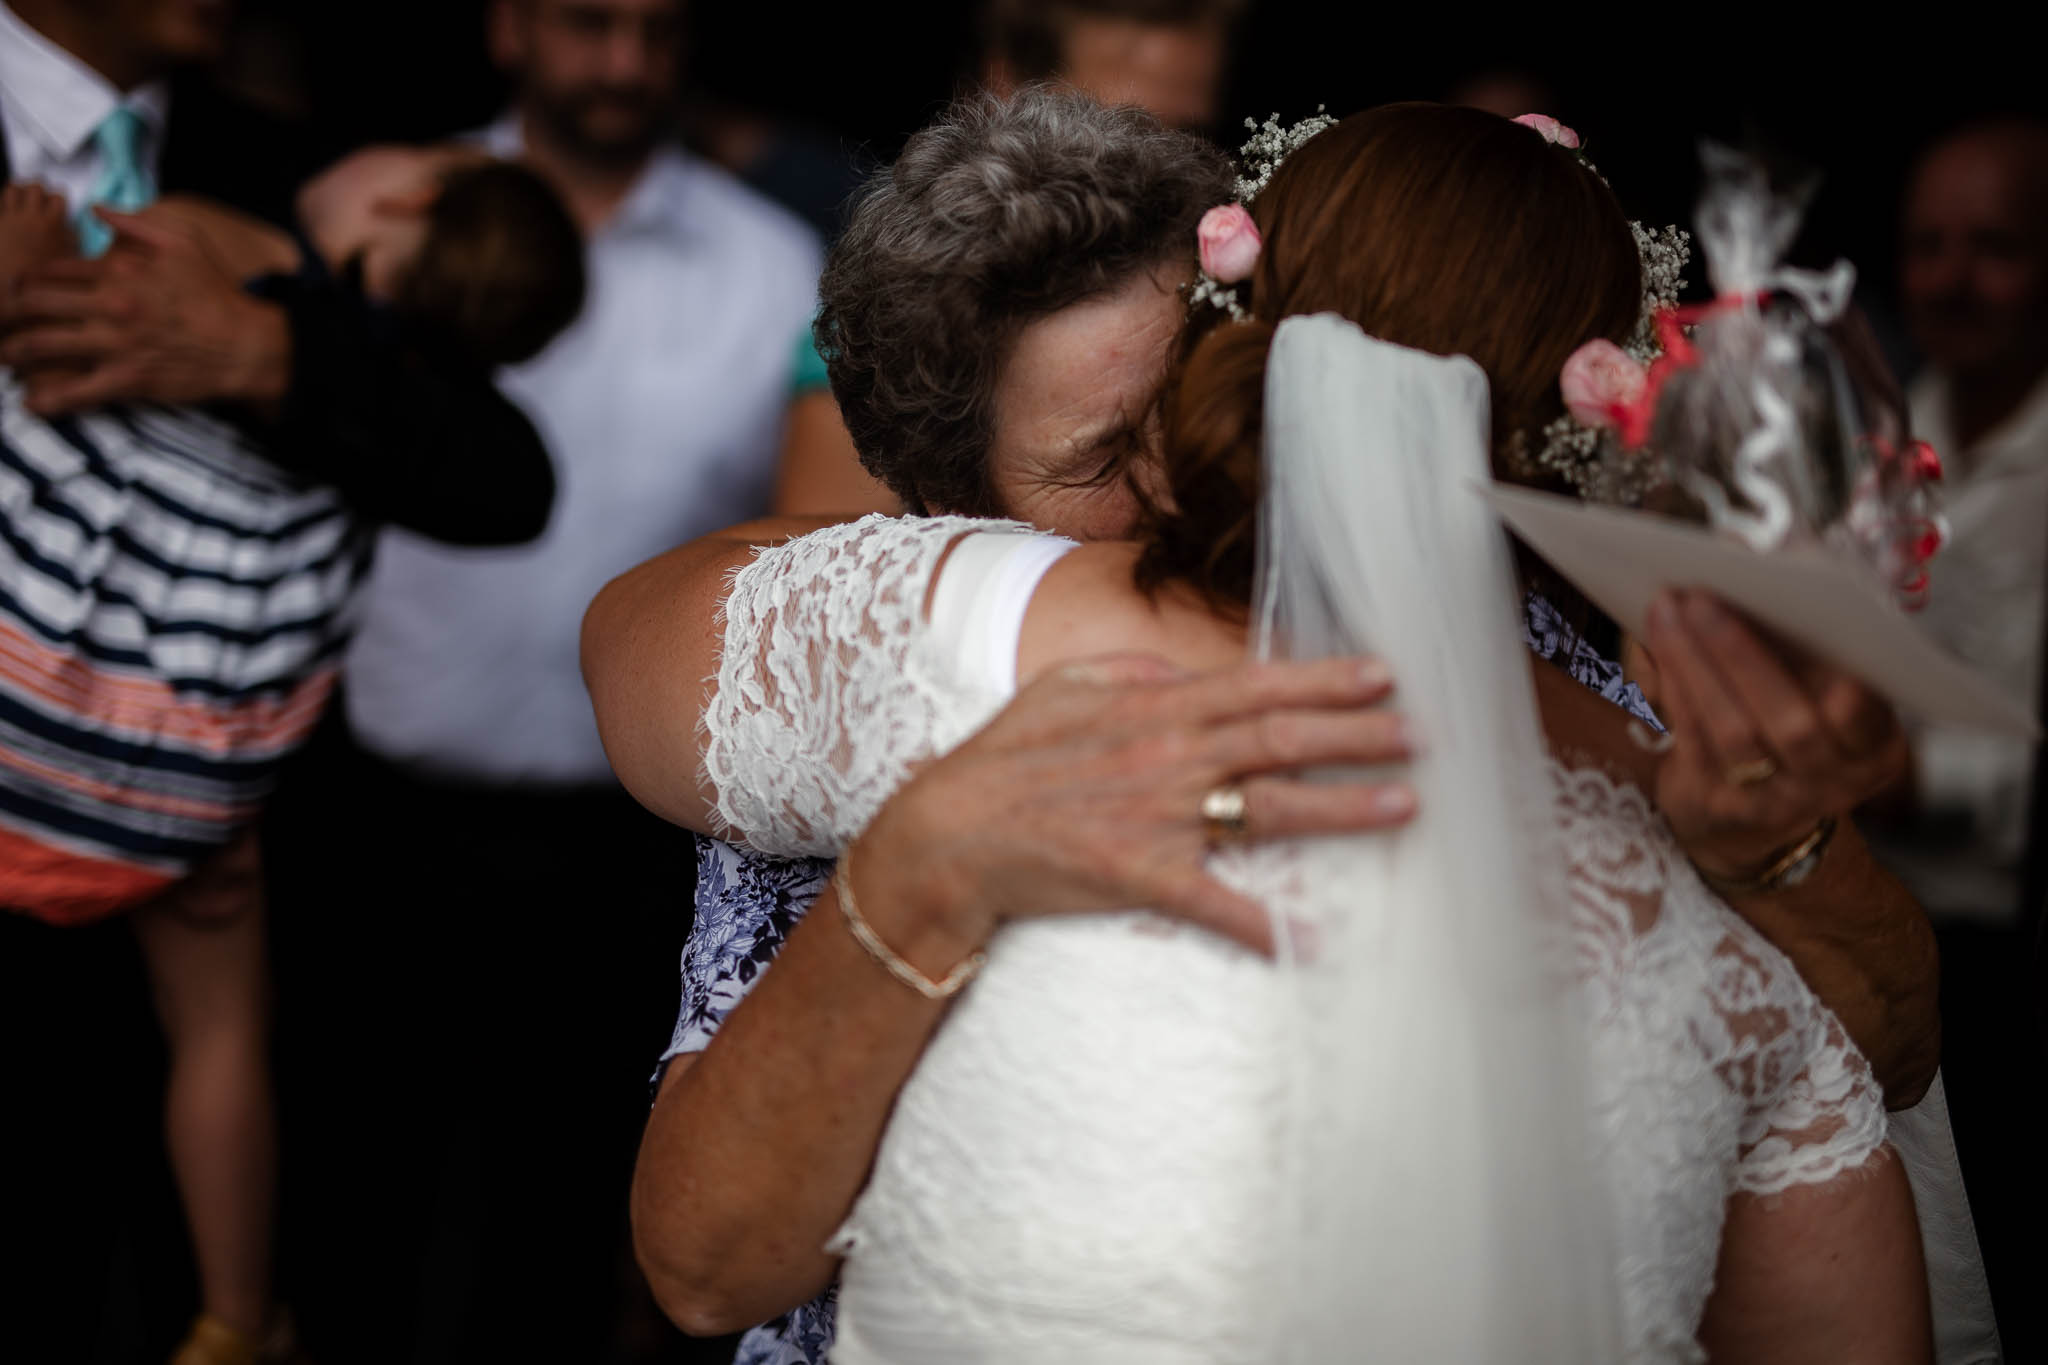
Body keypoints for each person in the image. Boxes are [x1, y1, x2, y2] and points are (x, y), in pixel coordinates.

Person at [588, 92, 1951, 1362]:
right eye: (1101, 460)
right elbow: (706, 1253)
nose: (1182, 471)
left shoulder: (1588, 706)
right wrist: (929, 858)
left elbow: (1874, 1052)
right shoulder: (905, 657)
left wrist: (1749, 842)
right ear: (954, 505)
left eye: (1187, 395)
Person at [257, 1, 823, 1358]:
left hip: (625, 857)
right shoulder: (382, 209)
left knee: (558, 1241)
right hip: (372, 822)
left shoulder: (777, 265)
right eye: (588, 23)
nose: (625, 63)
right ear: (509, 28)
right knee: (346, 1212)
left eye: (656, 30)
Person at [0, 154, 582, 1364]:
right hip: (177, 787)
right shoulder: (400, 381)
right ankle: (236, 1313)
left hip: (25, 731)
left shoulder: (213, 247)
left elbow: (54, 324)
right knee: (221, 1027)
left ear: (411, 196)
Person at [767, 0, 1251, 522]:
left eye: (1190, 135)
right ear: (1006, 85)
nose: (1154, 162)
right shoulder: (902, 339)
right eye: (1116, 123)